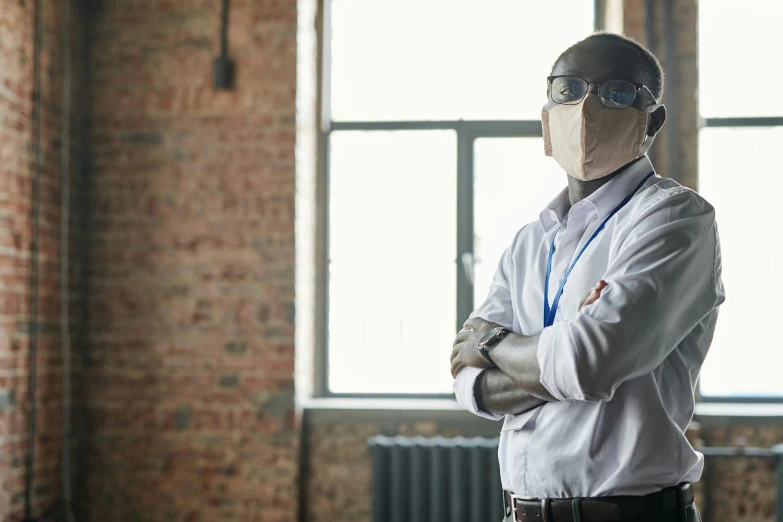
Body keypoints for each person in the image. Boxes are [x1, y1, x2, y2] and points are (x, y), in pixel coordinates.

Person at [450, 32, 724, 522]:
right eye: (568, 89)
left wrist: (494, 342)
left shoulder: (675, 219)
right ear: (547, 114)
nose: (586, 108)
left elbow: (587, 361)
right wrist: (557, 354)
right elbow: (469, 383)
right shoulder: (530, 242)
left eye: (617, 92)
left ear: (652, 121)